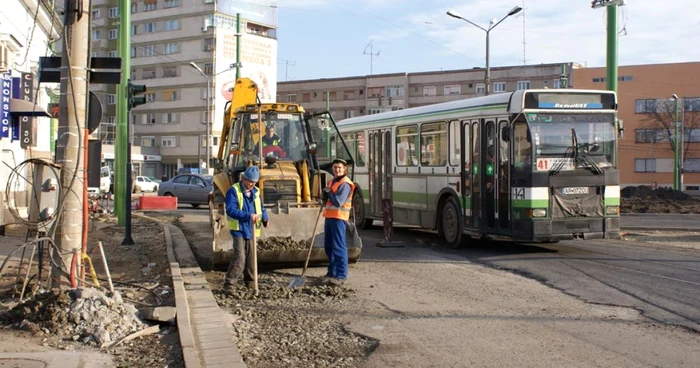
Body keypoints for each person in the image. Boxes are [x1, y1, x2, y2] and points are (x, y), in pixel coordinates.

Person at [223, 166, 269, 295]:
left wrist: (265, 218)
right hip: (239, 228)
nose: (251, 184)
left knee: (251, 257)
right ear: (243, 179)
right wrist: (248, 216)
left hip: (251, 229)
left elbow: (261, 207)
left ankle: (250, 282)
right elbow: (231, 210)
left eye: (254, 182)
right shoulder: (234, 190)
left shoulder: (256, 191)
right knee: (240, 256)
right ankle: (230, 285)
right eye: (249, 181)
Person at [321, 158, 354, 286]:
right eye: (335, 167)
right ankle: (331, 273)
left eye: (340, 167)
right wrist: (325, 195)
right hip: (330, 217)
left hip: (339, 218)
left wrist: (329, 193)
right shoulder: (332, 181)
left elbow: (338, 202)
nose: (337, 170)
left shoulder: (345, 184)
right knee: (329, 246)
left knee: (338, 247)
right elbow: (329, 199)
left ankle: (341, 275)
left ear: (344, 169)